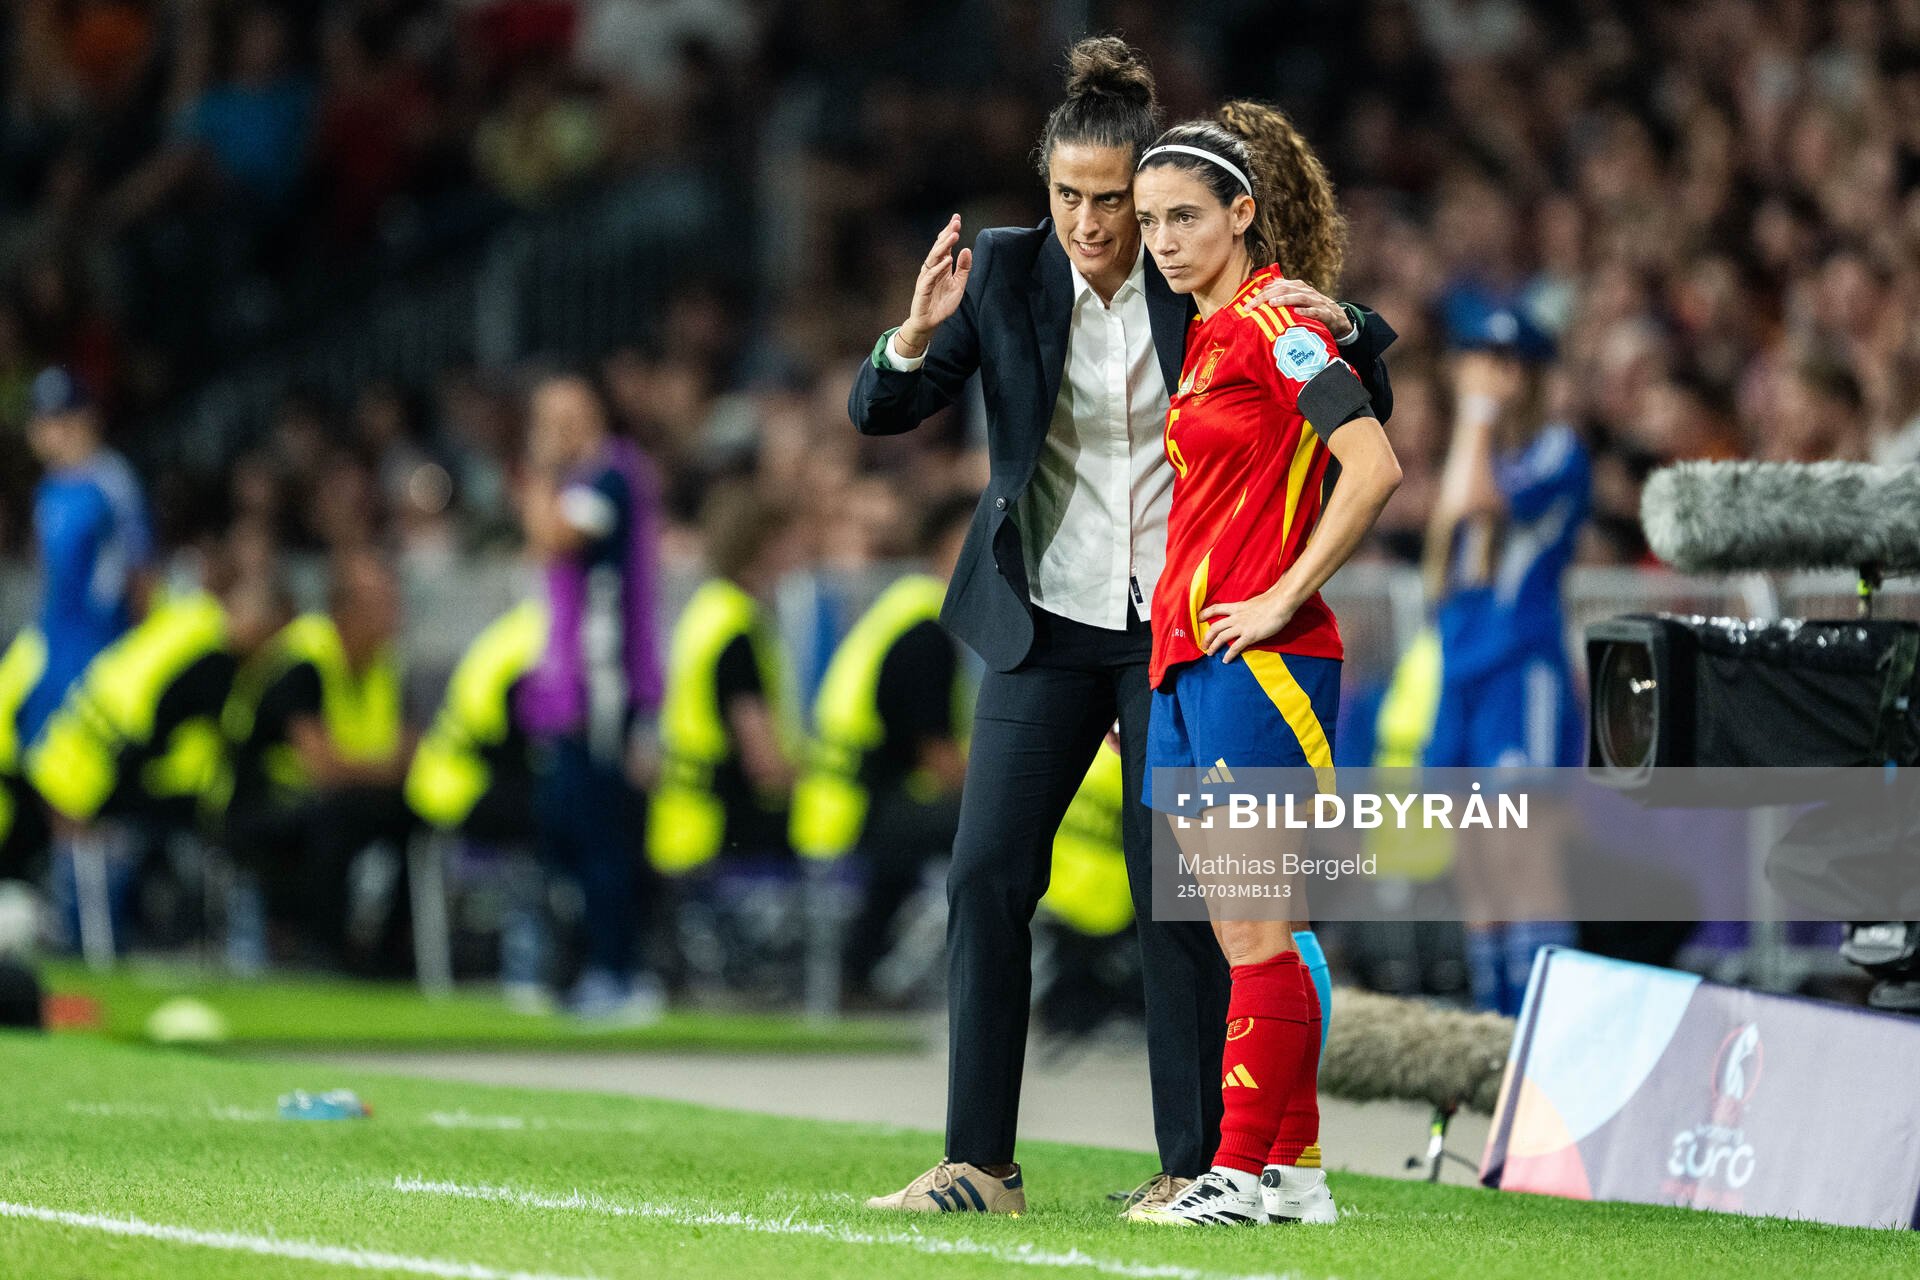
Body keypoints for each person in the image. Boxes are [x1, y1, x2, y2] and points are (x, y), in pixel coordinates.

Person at [854, 37, 1397, 1216]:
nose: (1097, 224)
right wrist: (909, 332)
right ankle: (978, 1163)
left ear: (1151, 195)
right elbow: (882, 406)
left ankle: (1198, 1163)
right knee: (987, 874)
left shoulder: (1189, 264)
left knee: (1182, 897)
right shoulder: (999, 276)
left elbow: (1350, 388)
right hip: (1043, 623)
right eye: (1072, 198)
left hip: (1179, 632)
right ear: (1042, 188)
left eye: (1116, 200)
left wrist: (1341, 315)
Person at [1127, 103, 1402, 1226]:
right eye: (1149, 223)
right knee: (1250, 925)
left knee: (1253, 926)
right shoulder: (1204, 335)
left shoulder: (1273, 326)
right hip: (1192, 663)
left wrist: (1287, 593)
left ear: (1244, 213)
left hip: (1263, 660)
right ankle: (1293, 1175)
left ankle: (1233, 1175)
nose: (1163, 241)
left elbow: (1372, 463)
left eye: (1185, 217)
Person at [1422, 301, 1590, 1016]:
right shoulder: (1472, 446)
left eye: (1507, 362)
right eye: (1478, 360)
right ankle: (1495, 1030)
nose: (1490, 374)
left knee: (1526, 861)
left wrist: (1478, 415)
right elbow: (1441, 561)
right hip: (1460, 670)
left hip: (1521, 673)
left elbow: (1474, 507)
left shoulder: (1556, 450)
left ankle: (1548, 1032)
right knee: (1476, 869)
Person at [516, 373, 665, 1016]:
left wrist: (536, 472)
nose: (557, 428)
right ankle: (579, 968)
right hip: (572, 686)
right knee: (566, 828)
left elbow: (553, 538)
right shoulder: (584, 481)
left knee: (604, 833)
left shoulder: (612, 476)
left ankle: (620, 974)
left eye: (568, 413)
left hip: (606, 684)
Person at [790, 493, 974, 1003]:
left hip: (839, 802)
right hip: (860, 808)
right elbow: (935, 754)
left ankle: (866, 972)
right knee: (997, 829)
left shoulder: (898, 609)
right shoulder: (924, 631)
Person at [219, 548, 415, 971]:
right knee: (336, 817)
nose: (394, 614)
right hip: (260, 806)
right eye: (383, 603)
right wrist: (382, 769)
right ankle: (323, 952)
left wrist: (374, 769)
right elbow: (323, 768)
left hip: (336, 799)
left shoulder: (383, 667)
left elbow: (412, 757)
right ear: (346, 610)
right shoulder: (302, 664)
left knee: (415, 813)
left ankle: (392, 957)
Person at [19, 366, 152, 748]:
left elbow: (141, 570)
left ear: (88, 419)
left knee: (78, 766)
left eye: (65, 418)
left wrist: (131, 654)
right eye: (46, 421)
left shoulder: (112, 480)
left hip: (100, 644)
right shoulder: (47, 489)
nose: (55, 431)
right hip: (54, 644)